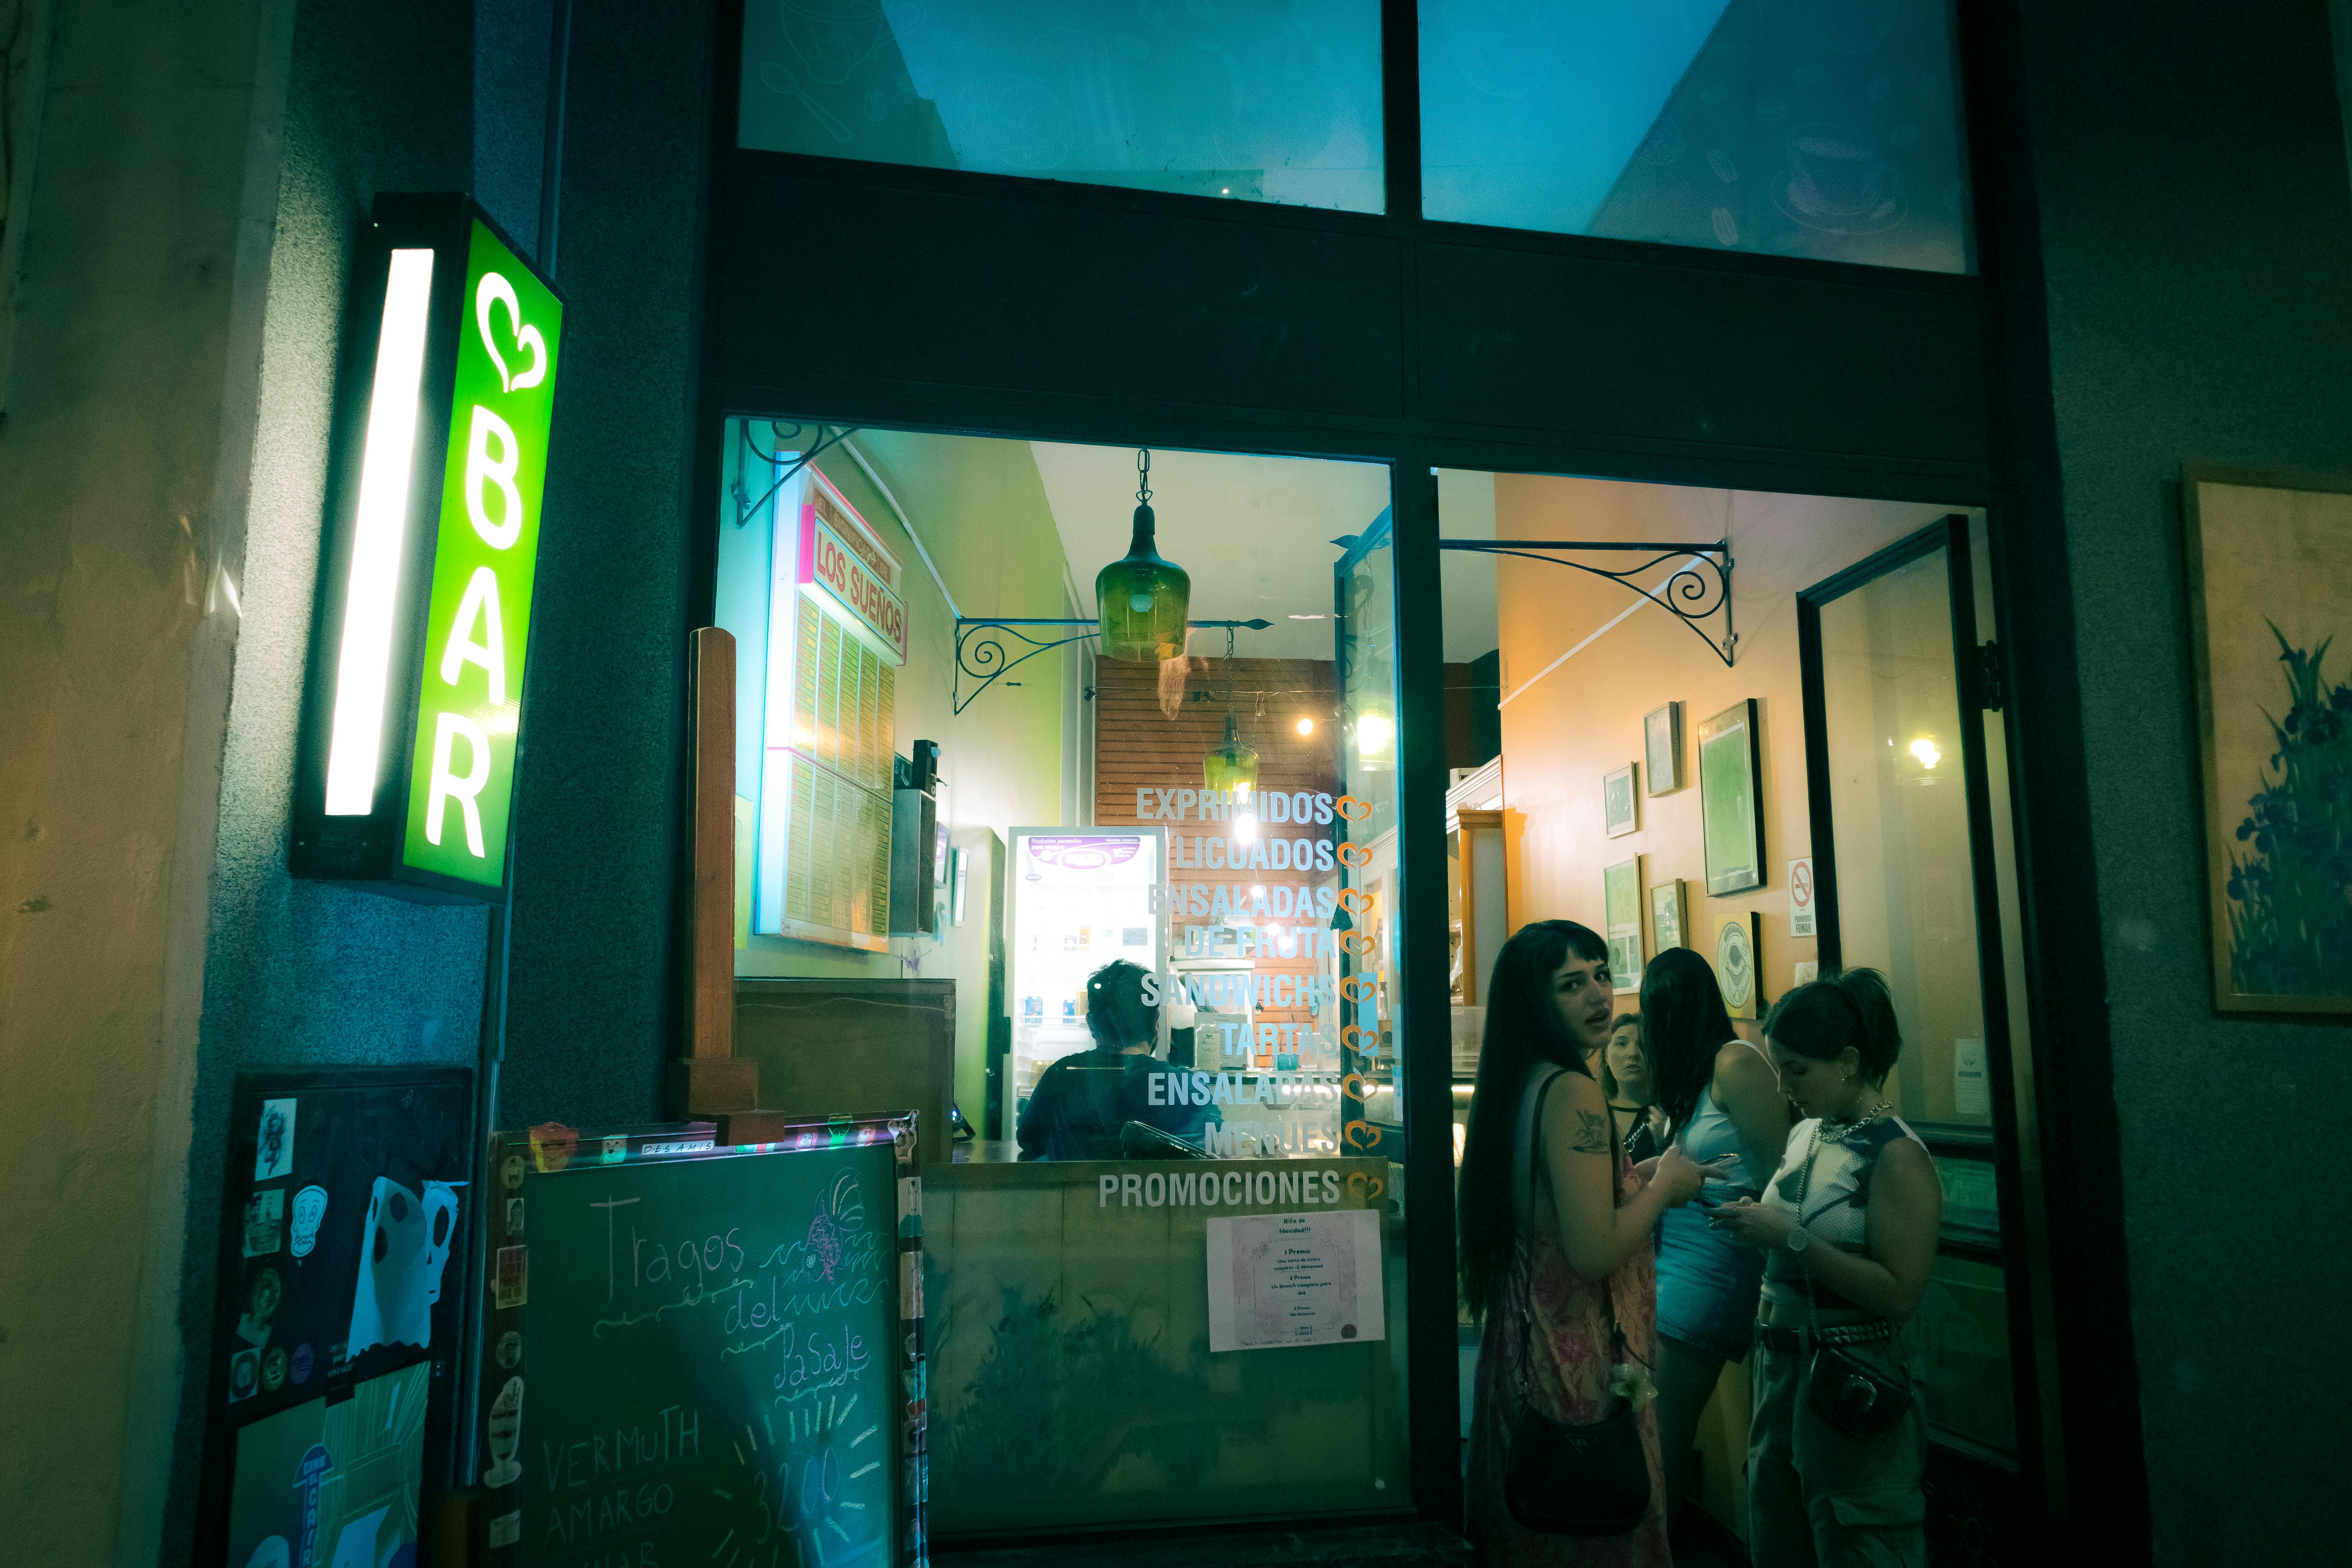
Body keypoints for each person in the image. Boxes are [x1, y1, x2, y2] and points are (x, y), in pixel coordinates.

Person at [1459, 921, 1735, 1567]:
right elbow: (1593, 1248)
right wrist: (1665, 1181)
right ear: (1537, 999)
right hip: (1580, 1363)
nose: (1598, 995)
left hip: (1528, 1350)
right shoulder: (1573, 1091)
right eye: (1571, 983)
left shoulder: (1520, 1083)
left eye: (1603, 974)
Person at [1708, 970, 1941, 1568]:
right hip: (1781, 1367)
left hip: (1851, 1374)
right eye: (1777, 1067)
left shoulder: (1896, 1155)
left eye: (1798, 1070)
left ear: (1847, 1062)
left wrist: (1790, 1237)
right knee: (1777, 1537)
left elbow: (1900, 1294)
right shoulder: (1810, 1131)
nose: (1783, 1087)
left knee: (1858, 1540)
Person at [1638, 948, 1795, 1520]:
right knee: (1645, 1417)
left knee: (1661, 1427)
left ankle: (1658, 1548)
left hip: (1714, 1262)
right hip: (1674, 1258)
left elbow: (1785, 1168)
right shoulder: (1698, 1077)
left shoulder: (1735, 1063)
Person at [1016, 960, 1220, 1160]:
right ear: (1156, 1020)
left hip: (1076, 1195)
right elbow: (1218, 1146)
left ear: (1091, 1023)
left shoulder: (1061, 1074)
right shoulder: (1185, 1087)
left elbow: (1029, 1142)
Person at [1599, 1013, 1666, 1163]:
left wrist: (1665, 1146)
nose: (1633, 1054)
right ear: (1606, 1056)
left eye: (1643, 1045)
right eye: (1621, 1044)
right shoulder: (1595, 1109)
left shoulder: (1668, 1113)